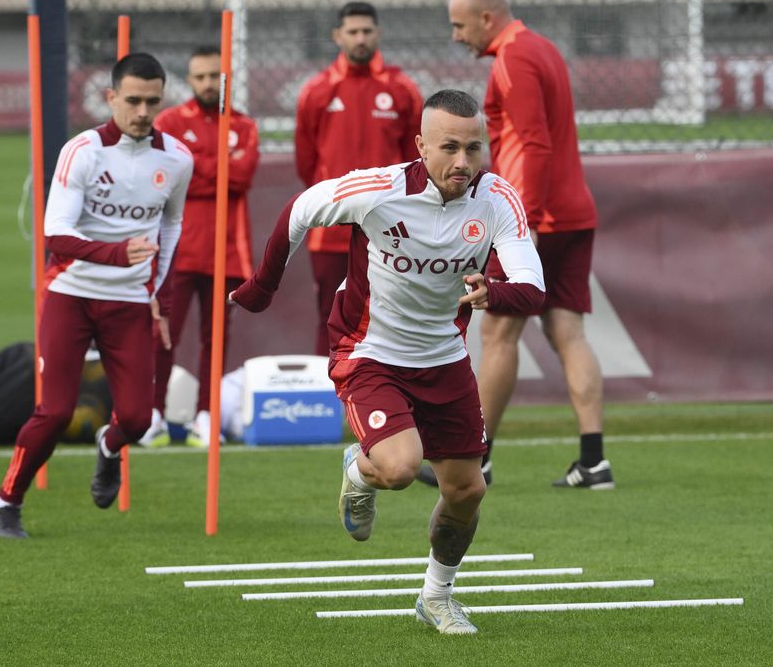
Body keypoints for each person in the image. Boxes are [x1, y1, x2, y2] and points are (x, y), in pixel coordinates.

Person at [231, 90, 545, 634]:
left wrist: (494, 291)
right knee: (399, 469)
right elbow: (300, 209)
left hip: (444, 359)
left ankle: (436, 597)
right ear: (421, 144)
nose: (463, 163)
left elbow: (533, 287)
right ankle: (360, 468)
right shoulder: (379, 189)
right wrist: (262, 287)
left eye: (474, 149)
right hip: (369, 351)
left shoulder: (496, 199)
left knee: (467, 490)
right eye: (449, 147)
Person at [418, 0, 611, 490]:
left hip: (540, 215)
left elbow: (533, 145)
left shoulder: (514, 59)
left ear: (486, 18)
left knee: (497, 333)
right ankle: (594, 461)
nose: (456, 37)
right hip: (574, 212)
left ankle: (475, 457)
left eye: (459, 25)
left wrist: (521, 221)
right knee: (567, 332)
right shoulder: (543, 48)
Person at [0, 53, 192, 538]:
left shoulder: (178, 158)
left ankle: (109, 447)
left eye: (153, 102)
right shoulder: (82, 150)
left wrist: (155, 293)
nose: (143, 111)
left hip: (129, 305)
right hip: (71, 294)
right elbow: (54, 232)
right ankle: (7, 501)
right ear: (111, 98)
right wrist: (116, 253)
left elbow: (172, 224)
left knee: (140, 421)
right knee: (54, 413)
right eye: (133, 100)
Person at [138, 46, 260, 448]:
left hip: (226, 250)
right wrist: (217, 165)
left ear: (227, 79)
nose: (209, 83)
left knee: (216, 336)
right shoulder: (170, 121)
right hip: (177, 248)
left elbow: (240, 177)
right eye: (201, 76)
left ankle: (206, 416)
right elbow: (171, 177)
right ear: (189, 81)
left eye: (216, 76)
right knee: (162, 332)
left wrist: (199, 164)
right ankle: (153, 414)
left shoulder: (243, 126)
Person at [295, 1, 423, 355]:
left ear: (378, 33)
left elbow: (417, 161)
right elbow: (306, 162)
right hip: (331, 230)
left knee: (393, 315)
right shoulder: (317, 91)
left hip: (390, 228)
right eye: (353, 32)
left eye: (367, 31)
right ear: (338, 36)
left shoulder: (403, 89)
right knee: (330, 314)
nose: (361, 38)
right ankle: (330, 400)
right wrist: (334, 204)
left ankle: (388, 398)